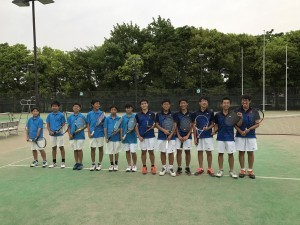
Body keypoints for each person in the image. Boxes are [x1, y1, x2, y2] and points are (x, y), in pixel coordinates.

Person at [214, 97, 242, 179]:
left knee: (231, 154)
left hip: (230, 138)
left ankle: (232, 170)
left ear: (230, 104)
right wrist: (214, 131)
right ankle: (220, 170)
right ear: (221, 104)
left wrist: (241, 118)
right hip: (220, 137)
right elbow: (215, 124)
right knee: (220, 154)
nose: (226, 104)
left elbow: (238, 125)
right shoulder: (218, 115)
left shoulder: (233, 114)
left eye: (227, 103)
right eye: (224, 103)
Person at [235, 94, 260, 179]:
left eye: (246, 100)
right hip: (240, 135)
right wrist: (240, 131)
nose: (244, 101)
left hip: (251, 135)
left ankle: (250, 170)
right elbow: (235, 124)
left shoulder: (254, 111)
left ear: (249, 101)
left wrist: (249, 129)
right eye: (243, 100)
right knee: (241, 152)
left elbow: (257, 124)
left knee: (250, 152)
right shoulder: (237, 111)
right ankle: (242, 169)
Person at [192, 96, 215, 176]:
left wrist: (208, 128)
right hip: (199, 136)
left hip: (208, 136)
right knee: (200, 152)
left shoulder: (211, 112)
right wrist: (195, 138)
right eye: (203, 101)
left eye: (206, 101)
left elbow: (212, 124)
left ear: (207, 103)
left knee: (209, 152)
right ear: (200, 103)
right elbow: (194, 126)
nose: (204, 102)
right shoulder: (195, 113)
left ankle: (209, 168)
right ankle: (200, 168)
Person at [135, 99, 157, 175]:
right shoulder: (138, 115)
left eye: (145, 103)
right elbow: (136, 126)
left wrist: (153, 126)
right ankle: (144, 166)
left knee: (151, 152)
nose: (144, 105)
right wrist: (139, 136)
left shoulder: (152, 114)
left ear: (147, 104)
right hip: (141, 137)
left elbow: (155, 124)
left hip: (151, 136)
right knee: (143, 152)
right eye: (142, 104)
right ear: (140, 105)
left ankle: (153, 166)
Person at [155, 99, 177, 177]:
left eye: (167, 104)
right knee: (163, 152)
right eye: (164, 104)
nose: (166, 105)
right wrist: (163, 130)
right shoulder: (158, 114)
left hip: (172, 137)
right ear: (162, 105)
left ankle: (171, 168)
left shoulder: (174, 114)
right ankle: (164, 168)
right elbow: (156, 124)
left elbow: (175, 124)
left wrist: (171, 134)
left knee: (170, 152)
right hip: (161, 136)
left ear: (170, 105)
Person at [174, 98, 193, 175]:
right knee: (179, 152)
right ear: (179, 105)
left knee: (187, 152)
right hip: (178, 136)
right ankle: (179, 167)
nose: (183, 104)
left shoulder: (191, 114)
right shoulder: (176, 114)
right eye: (181, 103)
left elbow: (191, 125)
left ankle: (187, 167)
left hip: (187, 136)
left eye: (184, 103)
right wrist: (178, 135)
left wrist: (187, 135)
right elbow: (175, 126)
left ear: (187, 104)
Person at [46, 100, 66, 168]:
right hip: (52, 134)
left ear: (58, 107)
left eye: (56, 106)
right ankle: (54, 163)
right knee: (53, 148)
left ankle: (63, 162)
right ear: (51, 107)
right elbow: (48, 125)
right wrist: (50, 131)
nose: (54, 107)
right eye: (53, 106)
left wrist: (59, 130)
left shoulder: (61, 115)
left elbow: (63, 124)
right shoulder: (49, 115)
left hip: (60, 134)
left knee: (61, 147)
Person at [87, 100, 105, 171]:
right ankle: (93, 163)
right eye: (96, 104)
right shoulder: (89, 114)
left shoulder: (102, 113)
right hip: (92, 134)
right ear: (92, 105)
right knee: (92, 149)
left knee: (100, 148)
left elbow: (104, 122)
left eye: (98, 104)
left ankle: (99, 163)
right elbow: (88, 124)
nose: (98, 105)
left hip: (100, 134)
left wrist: (101, 123)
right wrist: (88, 133)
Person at [67, 103, 86, 170]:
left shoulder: (82, 116)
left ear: (79, 108)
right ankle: (76, 163)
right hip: (72, 136)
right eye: (74, 106)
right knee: (75, 150)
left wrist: (80, 130)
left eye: (77, 106)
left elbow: (86, 125)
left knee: (79, 150)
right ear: (73, 108)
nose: (76, 107)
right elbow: (68, 127)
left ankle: (80, 163)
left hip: (80, 136)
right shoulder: (70, 117)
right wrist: (69, 134)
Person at [104, 105, 122, 172]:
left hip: (117, 138)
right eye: (112, 109)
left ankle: (116, 164)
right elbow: (105, 128)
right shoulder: (107, 119)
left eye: (114, 109)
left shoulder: (119, 119)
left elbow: (120, 128)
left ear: (116, 111)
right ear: (110, 111)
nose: (113, 111)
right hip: (109, 138)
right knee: (110, 151)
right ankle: (111, 164)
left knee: (116, 151)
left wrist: (116, 131)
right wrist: (106, 137)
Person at [121, 103, 138, 172]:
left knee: (133, 152)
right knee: (127, 151)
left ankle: (134, 165)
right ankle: (129, 165)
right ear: (125, 109)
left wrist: (133, 128)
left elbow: (137, 125)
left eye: (130, 108)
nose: (128, 109)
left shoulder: (135, 116)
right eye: (127, 108)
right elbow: (121, 127)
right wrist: (121, 136)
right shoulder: (123, 117)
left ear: (132, 109)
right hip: (125, 138)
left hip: (133, 137)